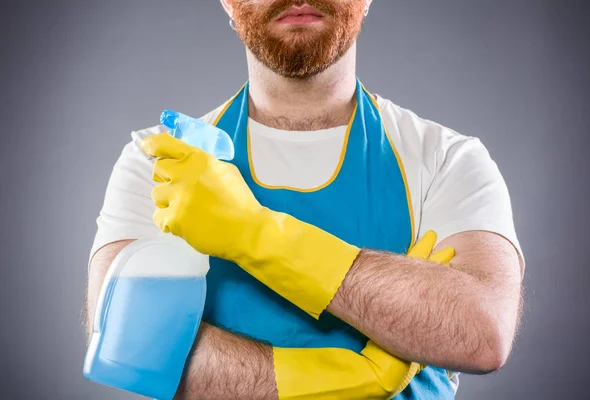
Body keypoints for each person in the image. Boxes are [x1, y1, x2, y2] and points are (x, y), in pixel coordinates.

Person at [85, 0, 525, 399]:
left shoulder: (445, 160)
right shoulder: (160, 159)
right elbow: (129, 344)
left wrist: (251, 231)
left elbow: (482, 333)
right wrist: (351, 378)